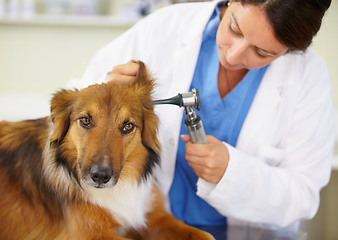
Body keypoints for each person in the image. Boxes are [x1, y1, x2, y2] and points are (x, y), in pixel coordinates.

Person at [68, 0, 335, 235]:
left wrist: (231, 173)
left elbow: (303, 196)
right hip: (146, 227)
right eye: (234, 29)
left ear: (288, 52)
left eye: (262, 53)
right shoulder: (165, 28)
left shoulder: (308, 79)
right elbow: (71, 112)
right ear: (232, 1)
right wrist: (107, 93)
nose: (233, 56)